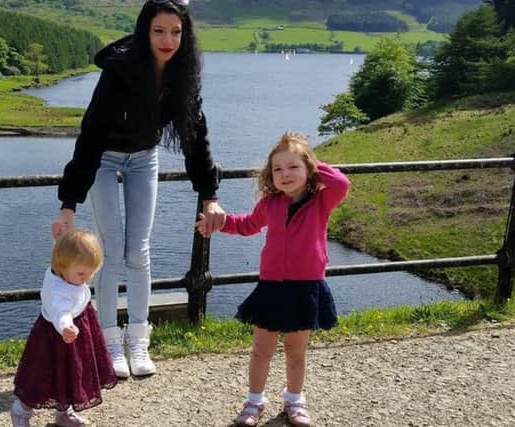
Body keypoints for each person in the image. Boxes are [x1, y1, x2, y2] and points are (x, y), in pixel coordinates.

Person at [51, 0, 225, 379]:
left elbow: (195, 136)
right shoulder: (120, 71)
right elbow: (91, 133)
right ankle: (110, 342)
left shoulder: (182, 73)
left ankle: (139, 340)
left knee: (139, 250)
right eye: (159, 31)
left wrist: (210, 194)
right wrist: (69, 203)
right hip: (105, 159)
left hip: (144, 158)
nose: (168, 40)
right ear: (145, 31)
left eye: (176, 32)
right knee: (111, 253)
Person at [195, 132, 350, 427]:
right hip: (271, 287)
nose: (285, 174)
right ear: (270, 175)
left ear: (309, 169)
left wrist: (314, 162)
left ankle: (294, 400)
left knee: (296, 350)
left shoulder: (321, 201)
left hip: (306, 287)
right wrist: (221, 223)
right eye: (277, 169)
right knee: (261, 349)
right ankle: (254, 401)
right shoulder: (270, 203)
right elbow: (249, 225)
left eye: (293, 167)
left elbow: (341, 183)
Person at [10, 229, 117, 427]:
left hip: (76, 331)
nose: (87, 278)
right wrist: (66, 326)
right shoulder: (58, 290)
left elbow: (63, 250)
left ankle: (64, 411)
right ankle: (21, 411)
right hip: (56, 337)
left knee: (71, 373)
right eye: (82, 273)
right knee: (41, 377)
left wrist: (61, 236)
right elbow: (61, 311)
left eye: (92, 272)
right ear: (62, 265)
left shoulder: (65, 270)